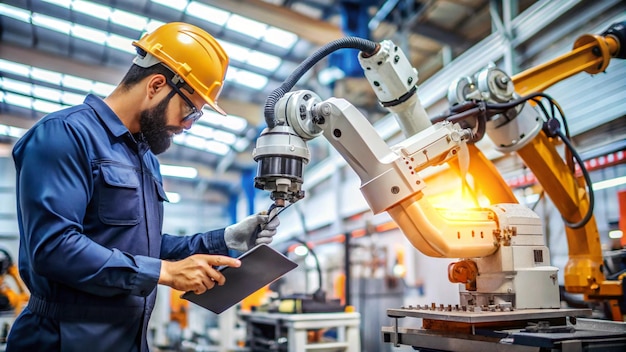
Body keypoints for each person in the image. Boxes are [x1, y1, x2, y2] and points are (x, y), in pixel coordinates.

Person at [6, 22, 279, 352]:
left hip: (129, 339)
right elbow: (53, 248)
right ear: (157, 85)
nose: (189, 125)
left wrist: (223, 239)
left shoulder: (144, 157)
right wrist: (163, 272)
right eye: (191, 109)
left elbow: (141, 247)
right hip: (64, 339)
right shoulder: (64, 136)